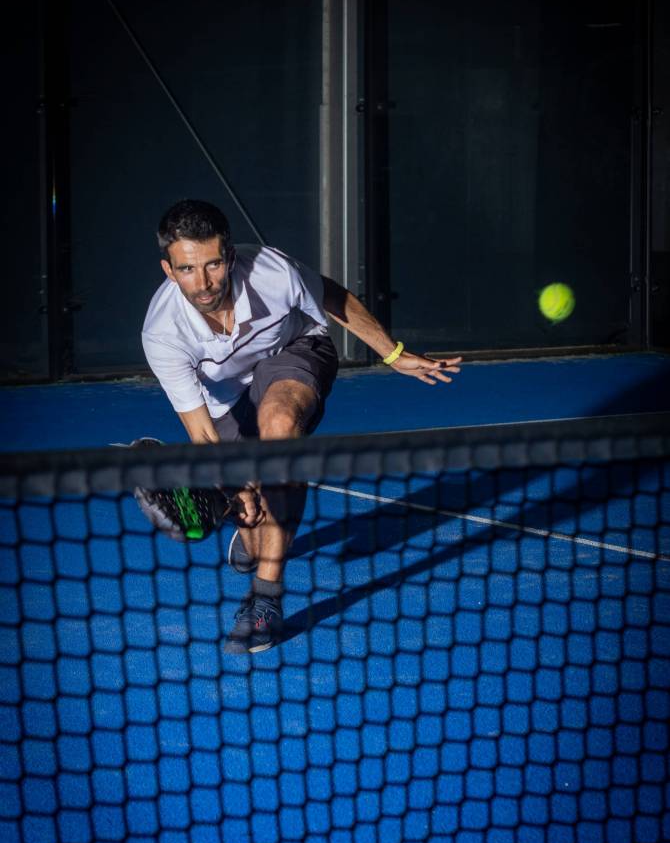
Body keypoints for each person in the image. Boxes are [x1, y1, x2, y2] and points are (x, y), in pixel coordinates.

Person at [141, 199, 461, 653]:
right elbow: (203, 434)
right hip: (225, 399)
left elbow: (332, 295)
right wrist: (235, 487)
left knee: (280, 424)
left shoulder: (271, 271)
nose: (204, 282)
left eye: (213, 264)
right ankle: (250, 539)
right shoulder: (162, 331)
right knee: (254, 518)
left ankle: (265, 599)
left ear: (229, 256)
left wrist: (393, 354)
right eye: (188, 269)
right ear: (169, 270)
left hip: (294, 350)